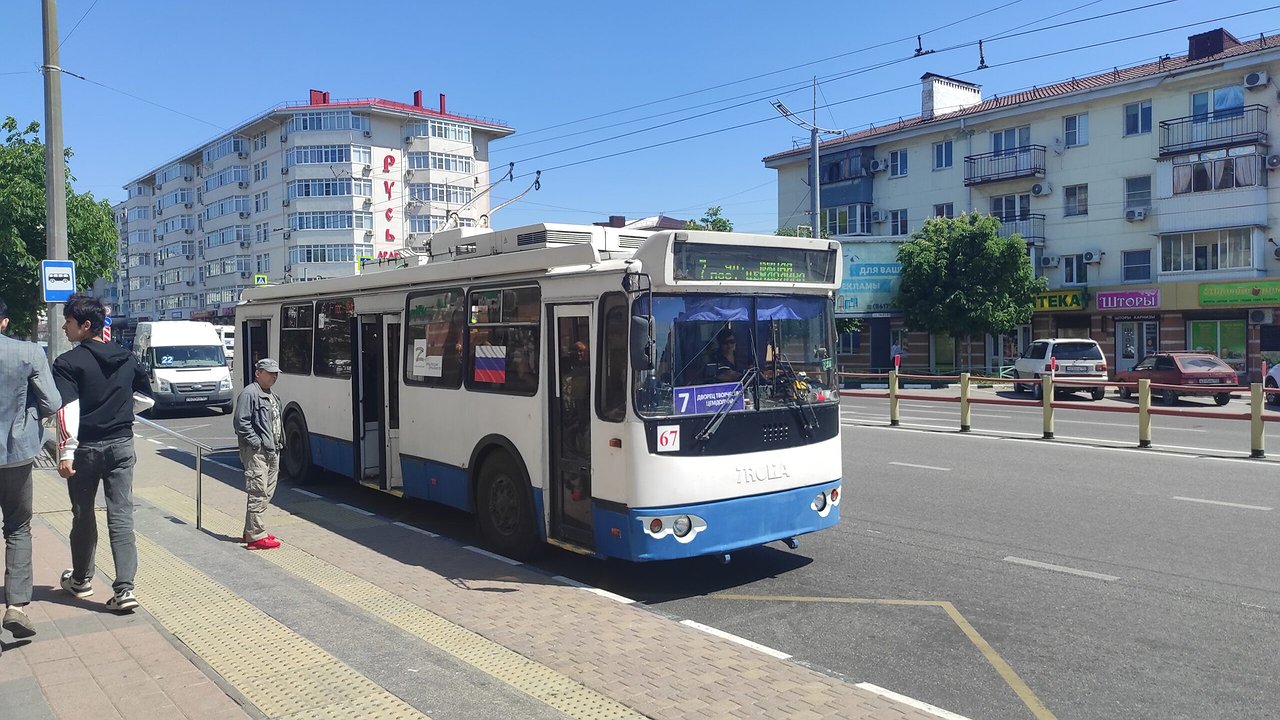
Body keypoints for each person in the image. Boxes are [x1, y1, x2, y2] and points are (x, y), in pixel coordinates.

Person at [53, 294, 151, 613]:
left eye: (68, 322)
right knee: (121, 515)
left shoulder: (68, 363)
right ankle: (125, 589)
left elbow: (67, 409)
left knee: (83, 514)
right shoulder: (125, 357)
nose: (64, 327)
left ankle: (81, 579)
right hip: (122, 444)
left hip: (85, 450)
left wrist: (65, 452)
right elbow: (147, 398)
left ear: (84, 326)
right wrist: (121, 413)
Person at [0, 298, 62, 643]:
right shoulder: (28, 353)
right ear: (5, 322)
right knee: (18, 527)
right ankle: (16, 606)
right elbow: (52, 403)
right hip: (16, 454)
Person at [234, 358, 284, 550]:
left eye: (276, 373)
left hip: (272, 450)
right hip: (258, 452)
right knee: (258, 492)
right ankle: (256, 536)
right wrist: (257, 444)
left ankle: (252, 530)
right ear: (258, 373)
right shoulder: (249, 393)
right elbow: (241, 422)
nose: (274, 376)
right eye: (270, 373)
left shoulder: (271, 394)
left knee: (266, 492)